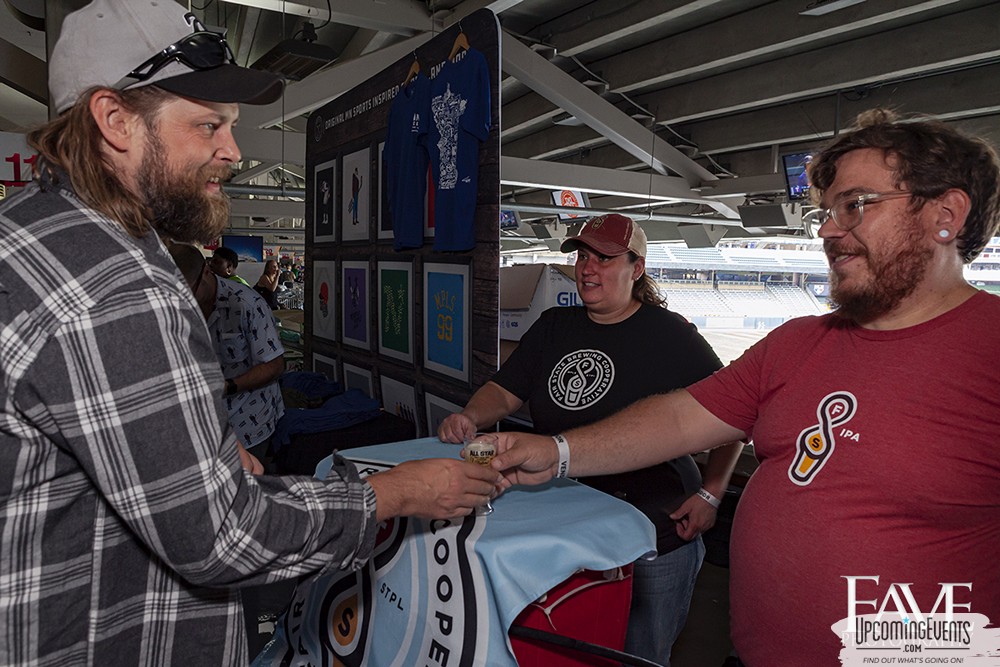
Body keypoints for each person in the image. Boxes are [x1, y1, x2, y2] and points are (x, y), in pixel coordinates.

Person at [0, 2, 498, 665]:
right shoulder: (117, 290)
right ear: (114, 121)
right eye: (209, 125)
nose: (232, 151)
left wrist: (194, 449)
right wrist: (399, 490)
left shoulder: (31, 228)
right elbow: (222, 535)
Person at [488, 110, 1000, 665]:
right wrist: (558, 452)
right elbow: (683, 418)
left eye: (855, 205)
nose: (828, 229)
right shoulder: (798, 342)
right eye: (827, 212)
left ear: (946, 215)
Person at [438, 213, 743, 666]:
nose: (587, 267)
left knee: (643, 653)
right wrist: (469, 415)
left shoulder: (672, 335)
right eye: (582, 255)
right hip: (563, 528)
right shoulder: (554, 325)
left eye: (604, 257)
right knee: (572, 646)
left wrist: (711, 493)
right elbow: (506, 389)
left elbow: (732, 413)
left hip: (655, 532)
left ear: (636, 268)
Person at [168, 243, 285, 458]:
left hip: (249, 423)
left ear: (206, 271)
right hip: (202, 423)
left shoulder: (247, 304)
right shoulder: (174, 308)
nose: (183, 301)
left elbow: (274, 365)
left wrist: (227, 386)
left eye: (188, 292)